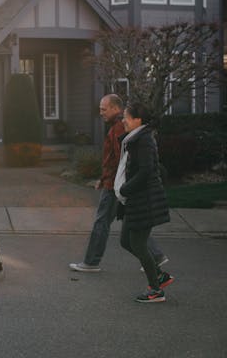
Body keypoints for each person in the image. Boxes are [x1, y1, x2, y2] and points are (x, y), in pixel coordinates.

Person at [70, 94, 167, 273]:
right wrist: (103, 177)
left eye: (104, 109)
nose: (100, 113)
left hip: (116, 185)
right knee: (132, 223)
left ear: (116, 108)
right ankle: (156, 256)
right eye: (100, 109)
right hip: (115, 182)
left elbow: (123, 160)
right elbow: (114, 159)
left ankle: (91, 262)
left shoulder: (118, 128)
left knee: (102, 222)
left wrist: (115, 182)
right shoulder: (118, 127)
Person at [115, 103, 173, 303]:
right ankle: (158, 275)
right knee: (125, 241)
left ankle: (156, 290)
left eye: (126, 117)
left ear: (138, 120)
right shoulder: (135, 139)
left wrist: (125, 188)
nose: (123, 120)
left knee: (138, 244)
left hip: (144, 200)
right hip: (135, 201)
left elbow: (146, 171)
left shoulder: (145, 140)